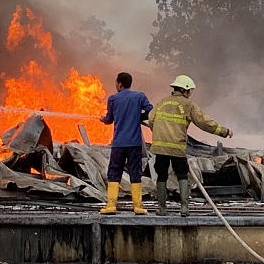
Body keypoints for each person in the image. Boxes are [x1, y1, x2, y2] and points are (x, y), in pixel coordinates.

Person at [147, 75, 233, 217]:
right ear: (184, 90)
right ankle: (184, 208)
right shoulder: (188, 105)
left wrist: (159, 133)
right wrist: (224, 131)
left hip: (160, 147)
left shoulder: (161, 102)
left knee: (161, 176)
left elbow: (151, 120)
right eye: (190, 91)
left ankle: (162, 209)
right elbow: (204, 122)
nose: (190, 93)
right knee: (182, 175)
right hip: (177, 147)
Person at [99, 72, 153, 215]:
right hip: (135, 144)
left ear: (120, 84)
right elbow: (150, 111)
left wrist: (102, 119)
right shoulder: (140, 96)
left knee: (114, 172)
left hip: (119, 144)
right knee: (135, 173)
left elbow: (109, 119)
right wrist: (138, 116)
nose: (115, 85)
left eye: (116, 83)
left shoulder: (113, 99)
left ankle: (111, 206)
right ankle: (138, 207)